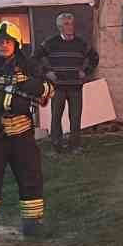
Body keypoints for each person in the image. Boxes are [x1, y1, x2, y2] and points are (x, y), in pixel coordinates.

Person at [0, 21, 53, 240]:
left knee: (31, 176)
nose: (4, 45)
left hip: (22, 132)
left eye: (8, 42)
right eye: (0, 42)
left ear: (16, 44)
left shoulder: (30, 66)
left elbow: (48, 90)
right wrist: (14, 100)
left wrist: (35, 87)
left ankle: (33, 224)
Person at [36, 12, 98, 154]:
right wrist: (47, 72)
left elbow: (94, 57)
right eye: (66, 24)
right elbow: (35, 58)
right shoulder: (50, 43)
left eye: (71, 23)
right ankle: (57, 146)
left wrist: (86, 71)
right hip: (58, 87)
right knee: (56, 117)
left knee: (75, 117)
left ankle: (74, 146)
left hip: (75, 86)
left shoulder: (81, 43)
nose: (70, 26)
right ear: (59, 27)